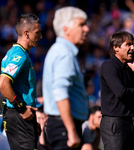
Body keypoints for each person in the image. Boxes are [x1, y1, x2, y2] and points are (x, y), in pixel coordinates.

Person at [42, 6, 89, 150]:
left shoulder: (60, 50)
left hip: (61, 125)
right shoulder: (65, 53)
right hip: (64, 127)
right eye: (81, 25)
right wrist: (71, 130)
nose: (86, 29)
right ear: (66, 29)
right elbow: (60, 91)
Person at [99, 31, 134, 150]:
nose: (132, 48)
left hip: (127, 122)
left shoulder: (129, 67)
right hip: (114, 123)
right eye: (128, 44)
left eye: (132, 44)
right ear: (116, 48)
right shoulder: (109, 66)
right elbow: (121, 92)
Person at [0, 13, 42, 150]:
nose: (40, 36)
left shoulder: (15, 53)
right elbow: (3, 84)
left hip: (22, 117)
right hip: (18, 116)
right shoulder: (19, 55)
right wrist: (22, 108)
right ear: (26, 33)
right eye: (37, 32)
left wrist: (31, 118)